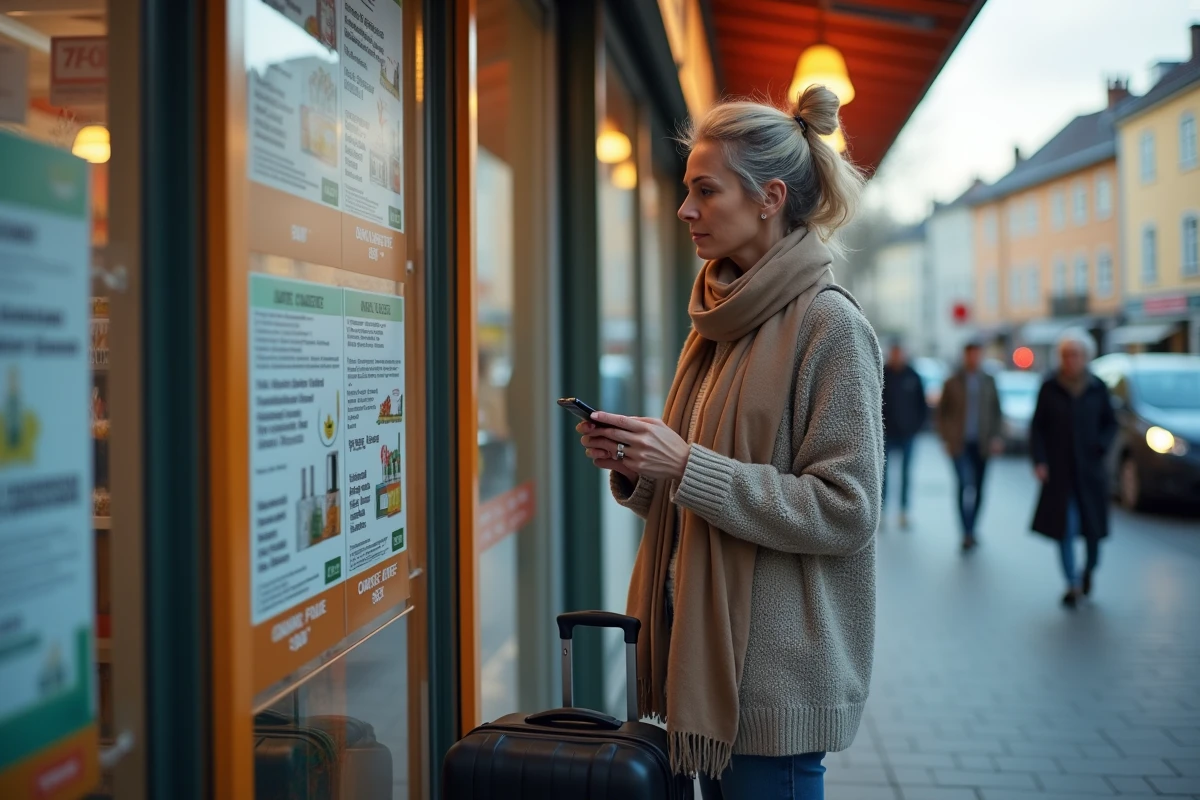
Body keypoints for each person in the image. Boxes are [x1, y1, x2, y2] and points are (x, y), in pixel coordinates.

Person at [575, 85, 883, 800]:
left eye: (704, 192)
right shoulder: (716, 321)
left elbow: (847, 509)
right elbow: (696, 494)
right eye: (688, 191)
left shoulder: (830, 326)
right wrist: (638, 467)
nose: (686, 210)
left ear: (770, 197)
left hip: (775, 687)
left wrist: (684, 463)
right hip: (702, 672)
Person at [1030, 330, 1117, 608]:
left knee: (1092, 529)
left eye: (1076, 354)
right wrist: (1040, 461)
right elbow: (1038, 428)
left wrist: (1101, 447)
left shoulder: (1097, 387)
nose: (1071, 360)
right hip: (1060, 471)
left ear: (1086, 356)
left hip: (1090, 471)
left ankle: (1088, 569)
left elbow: (1110, 423)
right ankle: (1071, 582)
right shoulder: (1050, 386)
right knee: (1065, 527)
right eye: (1066, 354)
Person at [936, 341, 1003, 551]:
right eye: (970, 354)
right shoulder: (953, 381)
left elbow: (997, 411)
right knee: (965, 484)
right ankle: (965, 531)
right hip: (959, 444)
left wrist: (997, 437)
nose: (974, 358)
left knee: (980, 488)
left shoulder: (989, 381)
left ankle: (972, 529)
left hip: (982, 444)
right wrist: (946, 438)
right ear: (965, 356)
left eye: (977, 354)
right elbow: (941, 413)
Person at [881, 341, 927, 529]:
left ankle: (904, 511)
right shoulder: (883, 374)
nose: (897, 356)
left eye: (900, 353)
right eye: (894, 353)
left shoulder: (913, 376)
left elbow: (922, 405)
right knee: (883, 476)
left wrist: (916, 427)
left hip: (908, 435)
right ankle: (882, 511)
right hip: (886, 434)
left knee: (906, 475)